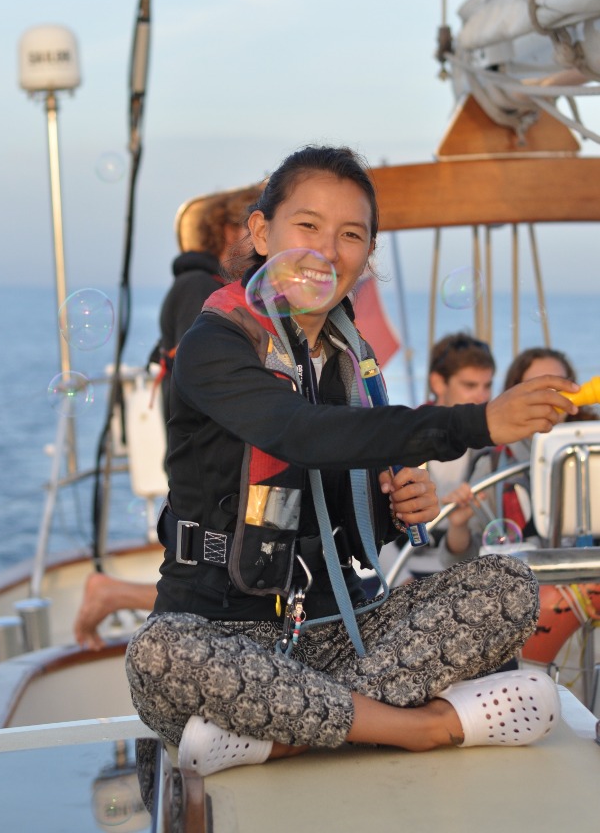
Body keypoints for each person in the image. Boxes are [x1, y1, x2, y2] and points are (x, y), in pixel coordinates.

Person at [125, 145, 577, 775]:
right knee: (157, 654)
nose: (327, 252)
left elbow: (341, 505)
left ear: (368, 255)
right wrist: (477, 423)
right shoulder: (215, 344)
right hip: (221, 634)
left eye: (350, 235)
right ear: (261, 232)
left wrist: (396, 510)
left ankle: (283, 735)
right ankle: (420, 726)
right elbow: (298, 431)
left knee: (509, 587)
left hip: (339, 633)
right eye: (308, 225)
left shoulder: (351, 363)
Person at [73, 185, 263, 650]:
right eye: (253, 226)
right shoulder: (200, 289)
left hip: (213, 454)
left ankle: (112, 593)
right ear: (226, 230)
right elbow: (214, 383)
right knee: (220, 572)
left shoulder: (202, 287)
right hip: (212, 461)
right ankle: (110, 593)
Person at [439, 346, 600, 665]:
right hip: (522, 614)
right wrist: (458, 524)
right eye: (539, 387)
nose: (552, 397)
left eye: (560, 385)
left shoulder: (593, 448)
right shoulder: (492, 464)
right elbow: (462, 561)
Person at [393, 333, 497, 581]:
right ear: (438, 383)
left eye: (487, 386)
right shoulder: (401, 436)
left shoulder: (491, 451)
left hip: (460, 570)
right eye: (470, 386)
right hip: (400, 570)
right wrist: (400, 579)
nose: (482, 397)